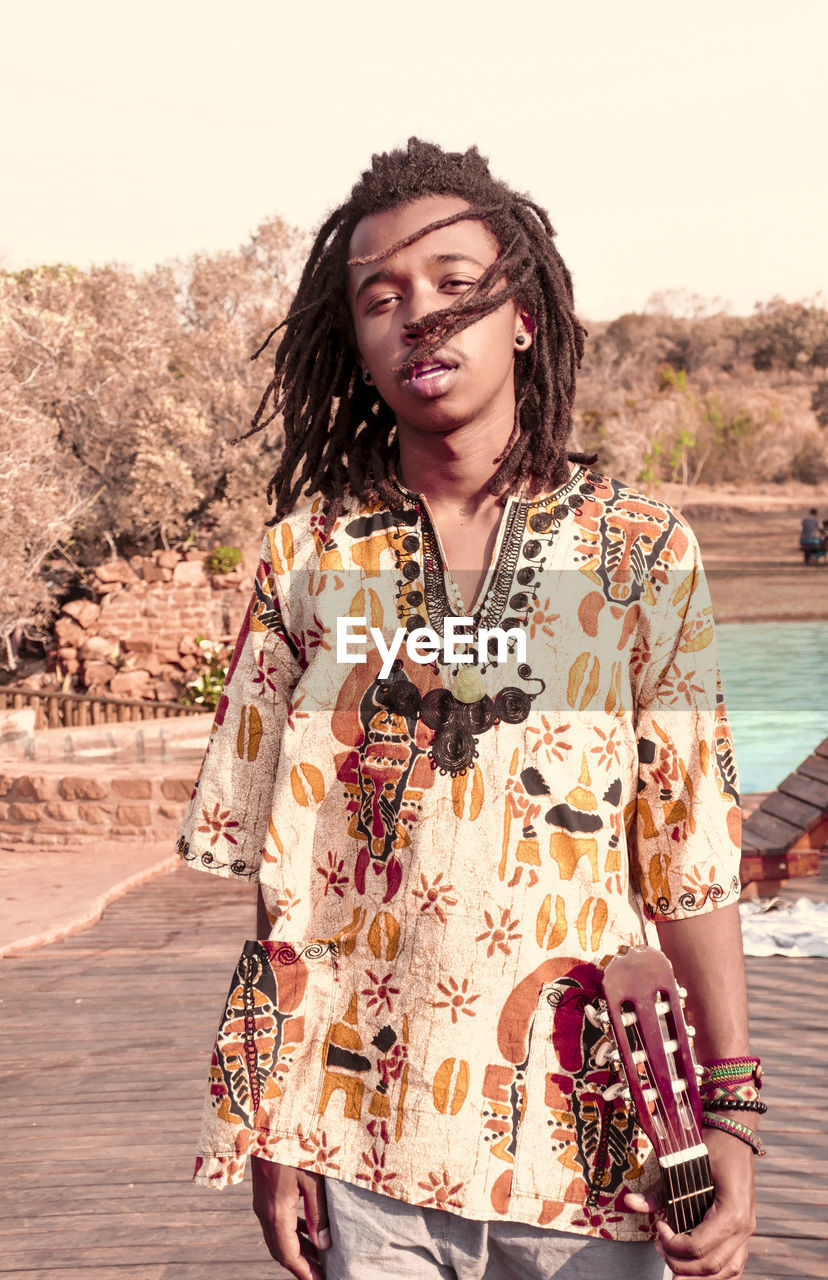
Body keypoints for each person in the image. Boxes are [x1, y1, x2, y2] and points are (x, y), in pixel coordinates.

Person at [177, 139, 759, 1280]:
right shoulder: (308, 560)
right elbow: (286, 874)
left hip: (592, 1138)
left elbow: (690, 855)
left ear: (525, 316)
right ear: (355, 341)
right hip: (358, 1138)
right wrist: (271, 1120)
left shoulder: (639, 552)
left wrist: (731, 1110)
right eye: (381, 298)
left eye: (454, 283)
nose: (420, 318)